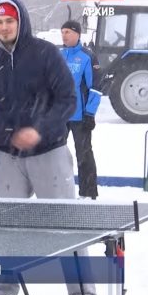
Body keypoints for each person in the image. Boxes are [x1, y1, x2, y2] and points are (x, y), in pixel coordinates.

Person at [0, 0, 97, 295]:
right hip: (7, 158)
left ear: (21, 21)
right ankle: (5, 289)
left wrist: (40, 128)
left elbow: (67, 99)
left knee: (65, 224)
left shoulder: (45, 54)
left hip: (50, 152)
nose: (5, 26)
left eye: (10, 20)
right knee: (7, 227)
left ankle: (83, 294)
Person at [60, 20, 101, 200]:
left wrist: (90, 113)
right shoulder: (58, 55)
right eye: (62, 32)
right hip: (60, 116)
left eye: (68, 32)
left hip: (80, 115)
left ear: (77, 34)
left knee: (83, 155)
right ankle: (57, 191)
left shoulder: (87, 57)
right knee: (55, 155)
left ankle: (88, 193)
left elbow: (96, 87)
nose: (64, 35)